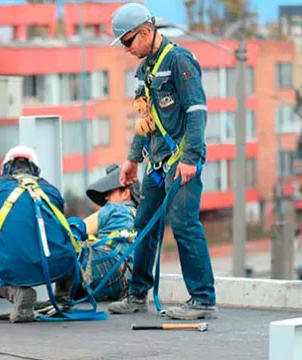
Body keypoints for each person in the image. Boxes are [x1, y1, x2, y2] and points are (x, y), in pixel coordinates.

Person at [108, 3, 217, 320]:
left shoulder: (178, 60)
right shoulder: (146, 69)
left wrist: (191, 157)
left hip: (181, 161)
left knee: (184, 224)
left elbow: (197, 111)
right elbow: (146, 118)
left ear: (144, 32)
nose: (126, 50)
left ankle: (203, 299)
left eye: (128, 42)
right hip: (155, 164)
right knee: (144, 225)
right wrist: (131, 159)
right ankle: (137, 294)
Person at [0, 145, 80, 323]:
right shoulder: (51, 191)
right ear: (36, 169)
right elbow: (60, 234)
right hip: (58, 266)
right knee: (69, 251)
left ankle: (19, 293)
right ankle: (63, 299)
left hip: (13, 267)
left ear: (5, 169)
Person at [67, 164, 140, 302]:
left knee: (73, 227)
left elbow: (78, 229)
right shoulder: (140, 217)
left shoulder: (114, 208)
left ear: (125, 193)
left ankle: (61, 296)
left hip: (107, 273)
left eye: (110, 193)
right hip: (127, 285)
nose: (106, 198)